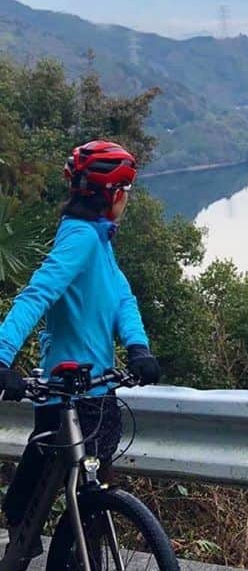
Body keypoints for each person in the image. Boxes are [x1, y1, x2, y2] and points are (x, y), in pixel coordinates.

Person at [0, 140, 163, 549]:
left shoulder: (100, 240)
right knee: (60, 502)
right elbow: (37, 294)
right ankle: (25, 565)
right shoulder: (81, 239)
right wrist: (1, 355)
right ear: (113, 195)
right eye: (125, 192)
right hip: (65, 394)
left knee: (93, 503)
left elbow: (122, 297)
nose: (126, 200)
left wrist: (138, 347)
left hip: (99, 393)